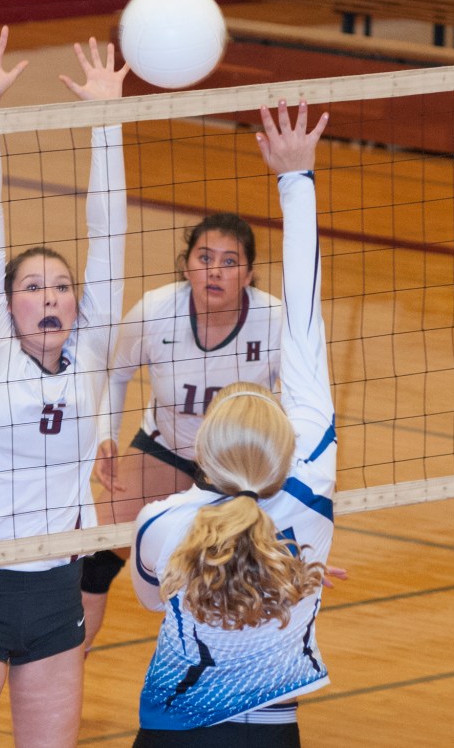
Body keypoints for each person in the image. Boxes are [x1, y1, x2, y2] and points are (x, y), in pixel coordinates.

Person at [0, 22, 127, 748]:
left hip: (54, 593)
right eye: (34, 286)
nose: (51, 297)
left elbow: (109, 235)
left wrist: (107, 118)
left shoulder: (92, 353)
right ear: (8, 303)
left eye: (62, 287)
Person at [130, 99, 334, 747]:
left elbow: (148, 597)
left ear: (206, 448)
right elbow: (305, 324)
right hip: (271, 731)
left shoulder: (161, 523)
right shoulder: (309, 497)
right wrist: (296, 178)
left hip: (172, 727)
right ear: (283, 442)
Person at [81, 210, 282, 648]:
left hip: (239, 467)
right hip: (166, 449)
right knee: (92, 554)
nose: (215, 270)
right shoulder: (156, 310)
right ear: (187, 263)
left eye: (230, 261)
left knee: (234, 576)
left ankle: (231, 675)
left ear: (249, 274)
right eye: (205, 256)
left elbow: (305, 401)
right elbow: (115, 374)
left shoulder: (275, 321)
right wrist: (105, 436)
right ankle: (63, 669)